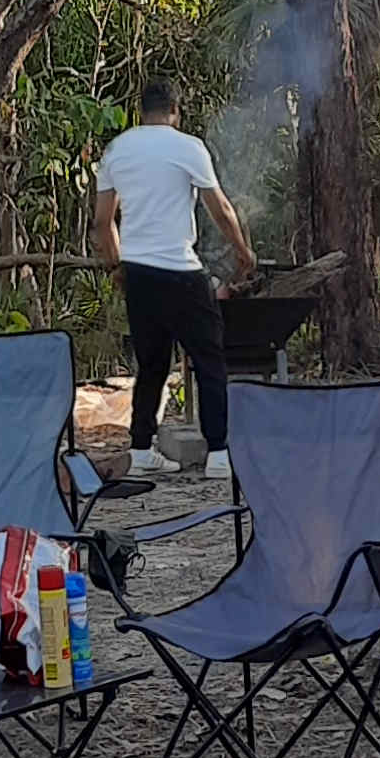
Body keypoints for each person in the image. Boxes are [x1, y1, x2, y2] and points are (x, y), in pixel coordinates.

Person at [91, 83, 258, 487]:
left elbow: (102, 222)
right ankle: (218, 453)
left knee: (151, 365)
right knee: (209, 360)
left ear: (140, 111)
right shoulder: (188, 147)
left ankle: (142, 450)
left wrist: (116, 267)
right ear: (175, 111)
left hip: (139, 272)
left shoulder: (117, 150)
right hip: (180, 271)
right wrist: (244, 251)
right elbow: (218, 207)